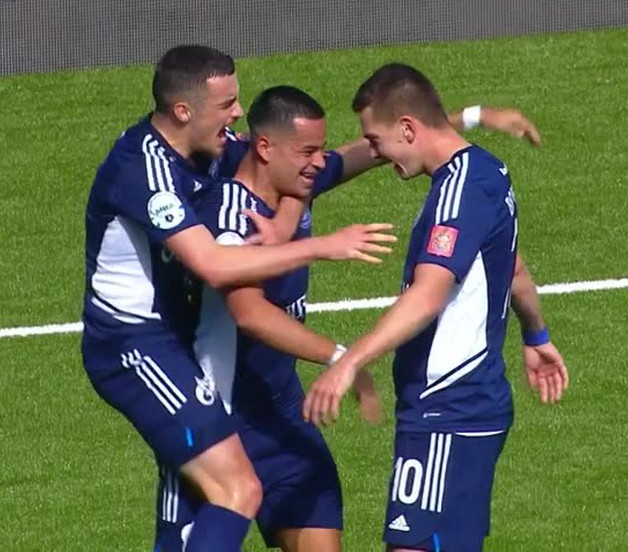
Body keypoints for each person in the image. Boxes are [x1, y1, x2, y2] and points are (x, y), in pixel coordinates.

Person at [79, 45, 398, 552]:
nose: (237, 114)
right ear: (184, 111)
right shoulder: (144, 170)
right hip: (134, 347)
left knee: (244, 498)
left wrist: (441, 130)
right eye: (227, 104)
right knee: (235, 490)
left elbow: (296, 164)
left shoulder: (209, 147)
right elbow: (212, 264)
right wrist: (321, 247)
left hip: (187, 346)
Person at [302, 63, 570, 552]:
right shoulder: (486, 170)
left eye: (376, 140)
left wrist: (350, 362)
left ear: (407, 128)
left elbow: (427, 295)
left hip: (448, 408)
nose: (375, 153)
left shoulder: (457, 192)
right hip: (465, 405)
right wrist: (536, 336)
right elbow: (512, 267)